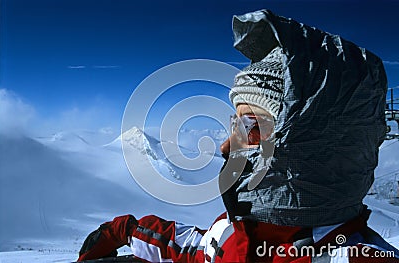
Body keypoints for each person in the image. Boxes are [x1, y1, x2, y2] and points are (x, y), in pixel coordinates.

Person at [77, 10, 399, 262]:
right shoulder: (241, 233)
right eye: (235, 125)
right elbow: (195, 251)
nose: (226, 145)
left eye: (250, 125)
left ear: (312, 144)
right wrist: (128, 231)